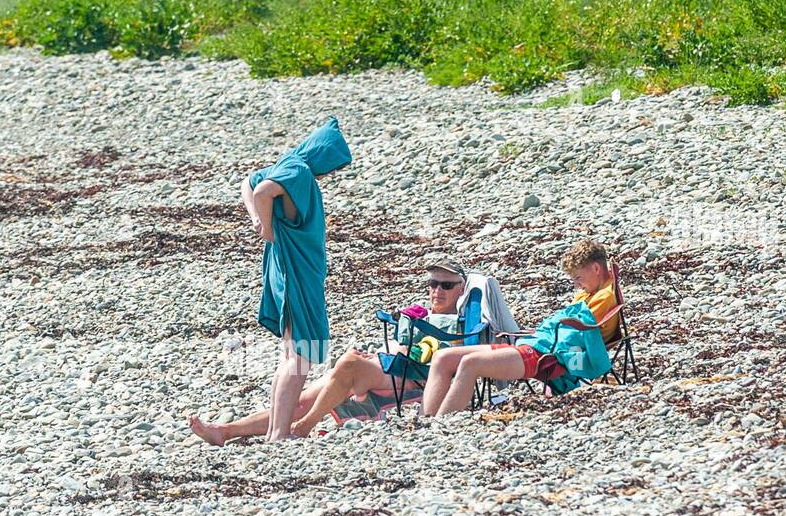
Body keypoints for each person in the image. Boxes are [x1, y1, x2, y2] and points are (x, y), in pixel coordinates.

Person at [189, 257, 475, 446]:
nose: (437, 291)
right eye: (433, 284)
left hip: (413, 379)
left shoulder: (461, 325)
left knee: (348, 363)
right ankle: (224, 432)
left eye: (446, 286)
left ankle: (304, 427)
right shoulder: (421, 314)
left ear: (461, 290)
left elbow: (448, 364)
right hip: (391, 366)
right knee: (299, 399)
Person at [243, 117, 352, 441]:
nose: (329, 173)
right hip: (298, 272)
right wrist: (265, 226)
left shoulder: (288, 164)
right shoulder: (300, 171)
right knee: (302, 353)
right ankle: (278, 433)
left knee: (292, 352)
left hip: (286, 270)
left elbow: (248, 182)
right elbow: (262, 190)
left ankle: (276, 431)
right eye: (331, 165)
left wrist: (259, 222)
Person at [421, 239, 618, 416]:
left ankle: (441, 423)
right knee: (442, 357)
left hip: (541, 355)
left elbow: (576, 335)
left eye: (578, 278)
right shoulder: (590, 295)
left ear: (596, 269)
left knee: (470, 363)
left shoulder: (603, 297)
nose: (577, 285)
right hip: (531, 344)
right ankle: (426, 420)